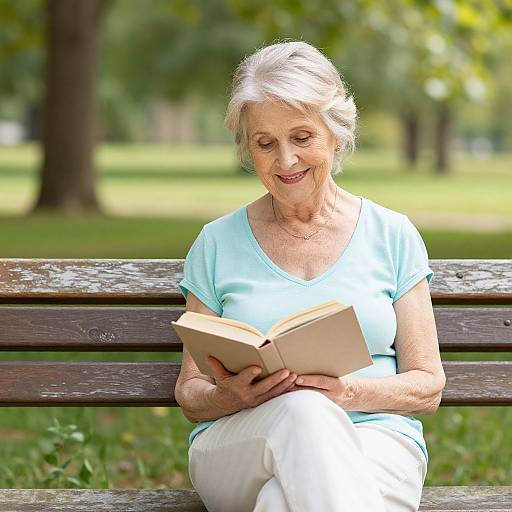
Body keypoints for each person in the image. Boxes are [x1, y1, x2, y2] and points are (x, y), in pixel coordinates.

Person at [175, 40, 446, 512]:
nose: (285, 161)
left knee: (282, 502)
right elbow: (190, 393)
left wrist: (348, 392)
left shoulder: (392, 235)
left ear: (335, 134)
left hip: (378, 440)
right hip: (240, 444)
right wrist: (228, 395)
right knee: (303, 410)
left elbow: (427, 385)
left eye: (302, 137)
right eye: (265, 144)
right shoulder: (216, 243)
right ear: (248, 149)